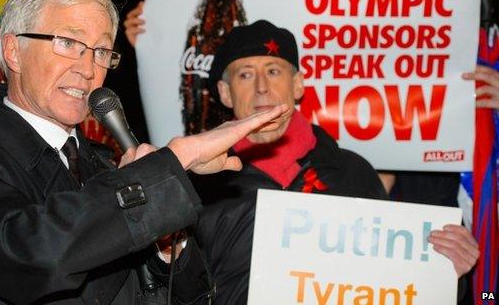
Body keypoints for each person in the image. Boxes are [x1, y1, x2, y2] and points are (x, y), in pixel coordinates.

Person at [0, 0, 290, 305]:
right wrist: (166, 168)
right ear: (13, 51)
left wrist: (169, 249)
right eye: (69, 44)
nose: (88, 68)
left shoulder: (108, 165)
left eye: (102, 51)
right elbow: (34, 258)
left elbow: (190, 294)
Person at [191, 20, 479, 304]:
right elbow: (172, 289)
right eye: (245, 75)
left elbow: (397, 285)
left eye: (274, 70)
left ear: (298, 85)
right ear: (226, 93)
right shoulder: (200, 183)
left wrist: (448, 271)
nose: (262, 87)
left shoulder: (353, 172)